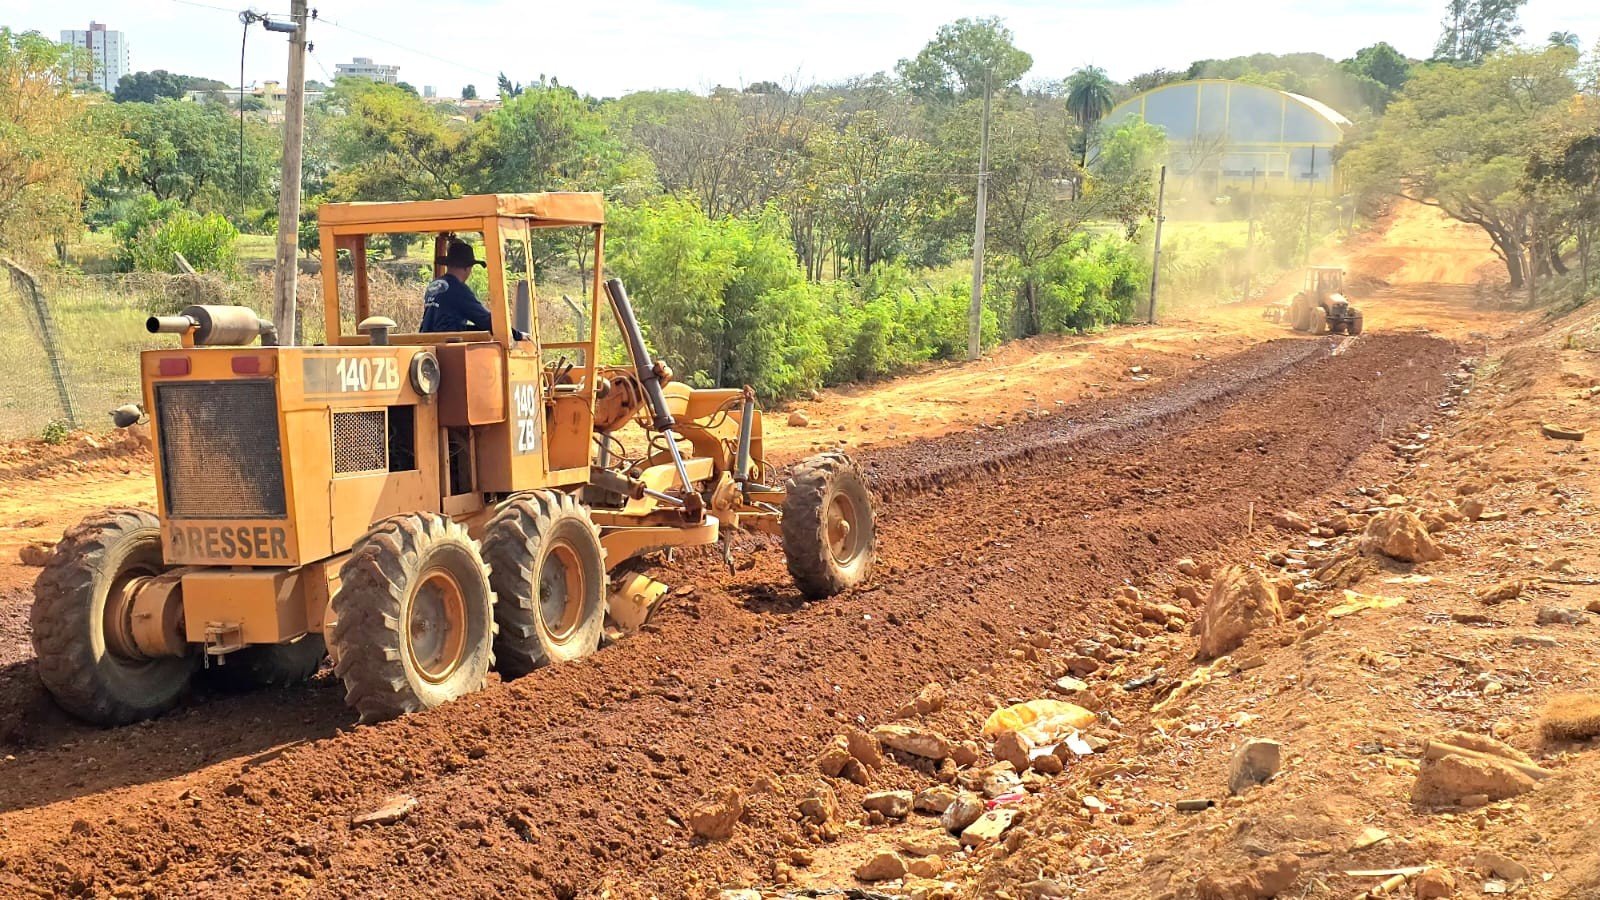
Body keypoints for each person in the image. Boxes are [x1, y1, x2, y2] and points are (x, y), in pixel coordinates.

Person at [420, 239, 492, 333]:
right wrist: (515, 334)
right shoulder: (458, 290)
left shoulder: (434, 285)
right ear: (467, 268)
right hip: (446, 344)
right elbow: (485, 320)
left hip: (426, 341)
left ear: (448, 265)